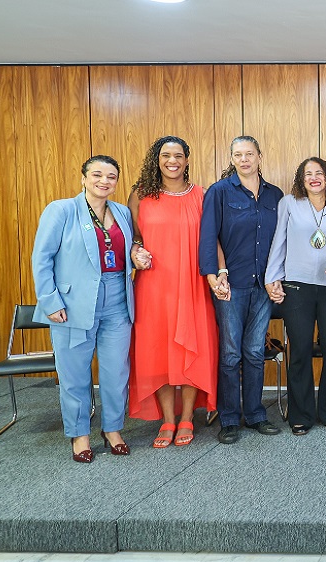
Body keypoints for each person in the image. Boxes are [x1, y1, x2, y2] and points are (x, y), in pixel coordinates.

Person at [32, 155, 146, 462]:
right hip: (73, 303)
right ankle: (79, 435)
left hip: (117, 302)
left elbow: (127, 247)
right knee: (74, 374)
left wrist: (137, 253)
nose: (104, 181)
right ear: (83, 177)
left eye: (111, 177)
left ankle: (113, 430)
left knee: (115, 372)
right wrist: (51, 301)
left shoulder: (122, 212)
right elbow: (41, 259)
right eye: (97, 174)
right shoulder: (62, 210)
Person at [127, 136, 218, 449]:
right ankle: (168, 418)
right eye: (166, 155)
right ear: (157, 159)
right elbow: (132, 238)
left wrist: (218, 275)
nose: (172, 161)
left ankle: (188, 417)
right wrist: (135, 252)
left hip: (192, 286)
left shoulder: (201, 195)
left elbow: (212, 240)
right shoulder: (141, 195)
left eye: (178, 155)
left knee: (192, 349)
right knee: (159, 353)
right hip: (154, 287)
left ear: (187, 160)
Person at [199, 135, 284, 444]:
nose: (244, 159)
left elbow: (281, 241)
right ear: (232, 158)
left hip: (263, 285)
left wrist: (278, 277)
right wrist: (213, 274)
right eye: (238, 154)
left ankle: (256, 414)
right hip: (230, 285)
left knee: (254, 350)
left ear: (260, 156)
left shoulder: (275, 195)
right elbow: (209, 235)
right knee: (231, 353)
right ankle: (230, 418)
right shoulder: (220, 192)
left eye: (250, 153)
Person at [265, 157, 326, 435]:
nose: (314, 178)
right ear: (301, 180)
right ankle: (300, 414)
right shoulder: (289, 204)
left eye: (319, 173)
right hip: (297, 287)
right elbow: (279, 242)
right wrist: (272, 278)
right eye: (308, 174)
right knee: (299, 350)